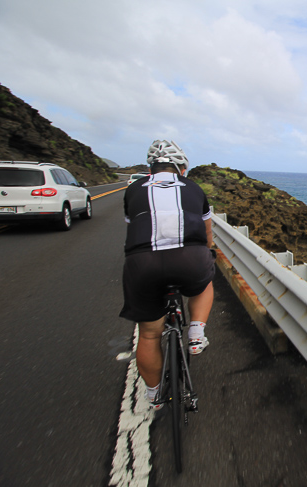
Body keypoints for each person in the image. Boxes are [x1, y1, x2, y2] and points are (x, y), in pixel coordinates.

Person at [119, 139, 216, 409]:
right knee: (204, 281)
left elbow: (133, 226)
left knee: (149, 334)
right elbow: (207, 234)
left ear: (152, 167)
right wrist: (207, 253)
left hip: (143, 264)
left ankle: (154, 396)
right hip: (189, 259)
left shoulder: (134, 189)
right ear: (181, 167)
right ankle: (196, 333)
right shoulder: (194, 188)